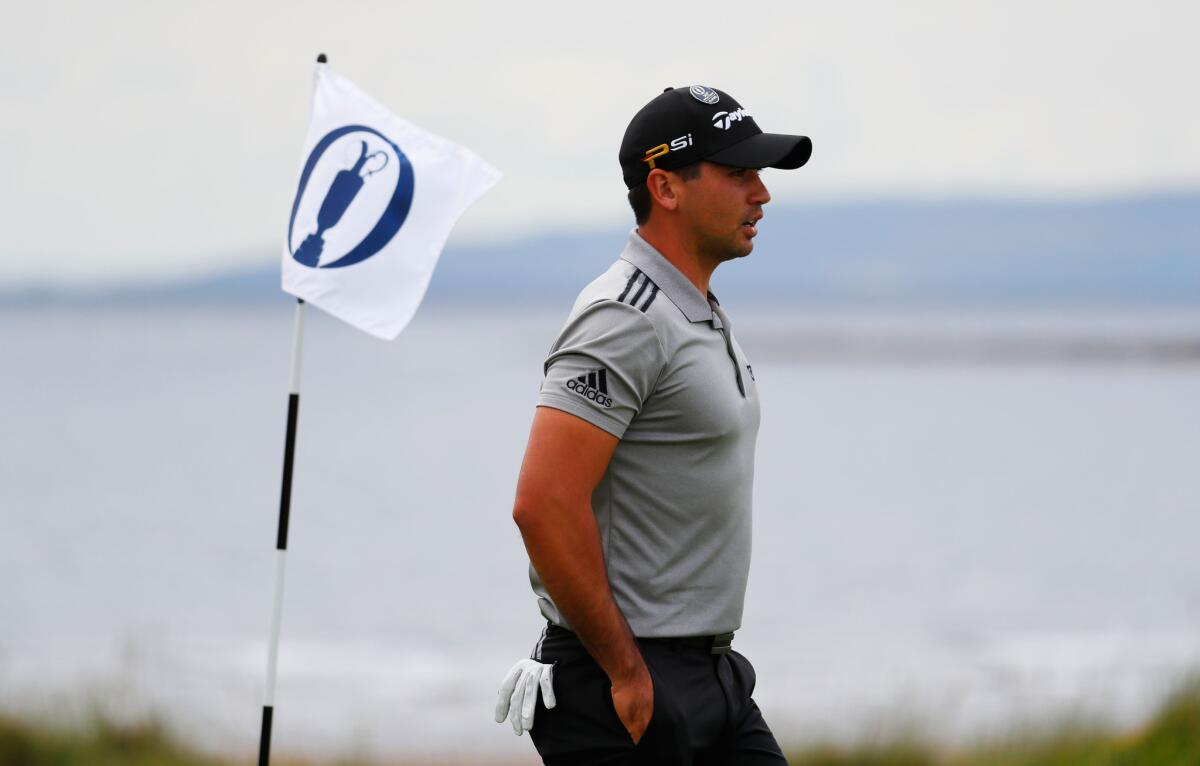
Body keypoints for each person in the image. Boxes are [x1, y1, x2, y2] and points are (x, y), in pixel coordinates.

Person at [495, 84, 812, 765]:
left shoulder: (695, 307)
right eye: (738, 173)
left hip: (711, 674)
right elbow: (543, 505)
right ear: (665, 187)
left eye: (760, 174)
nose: (762, 193)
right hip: (622, 683)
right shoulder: (623, 316)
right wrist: (628, 674)